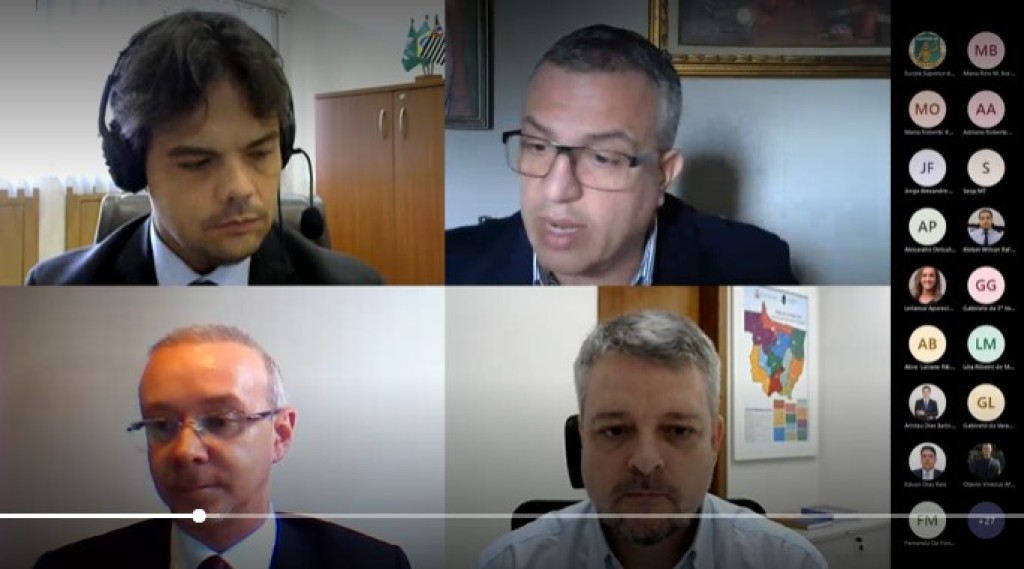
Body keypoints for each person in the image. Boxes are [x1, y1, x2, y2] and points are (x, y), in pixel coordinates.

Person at [25, 11, 382, 285]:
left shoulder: (354, 291)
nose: (240, 189)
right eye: (198, 162)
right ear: (134, 166)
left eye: (259, 154)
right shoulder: (54, 293)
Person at [446, 24, 797, 286]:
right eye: (538, 146)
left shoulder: (753, 270)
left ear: (662, 175)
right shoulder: (449, 265)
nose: (556, 190)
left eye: (601, 157)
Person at [34, 324, 411, 568]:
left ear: (280, 435)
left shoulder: (375, 565)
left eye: (219, 421)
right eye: (162, 425)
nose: (185, 451)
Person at [479, 310, 826, 569]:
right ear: (582, 438)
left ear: (714, 441)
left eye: (678, 430)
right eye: (615, 430)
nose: (645, 462)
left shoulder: (792, 563)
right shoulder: (509, 563)